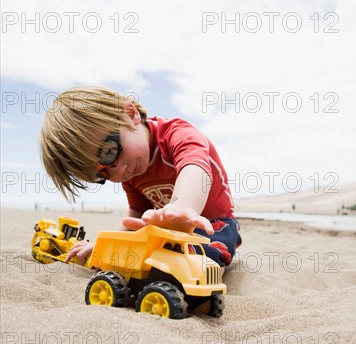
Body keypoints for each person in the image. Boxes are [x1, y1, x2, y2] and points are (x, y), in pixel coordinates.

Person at [40, 87, 242, 269]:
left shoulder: (176, 134)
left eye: (109, 152)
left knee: (201, 256)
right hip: (164, 229)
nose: (118, 172)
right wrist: (106, 243)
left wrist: (180, 213)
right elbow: (136, 213)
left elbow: (194, 168)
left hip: (213, 223)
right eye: (101, 175)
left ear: (130, 114)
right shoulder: (129, 171)